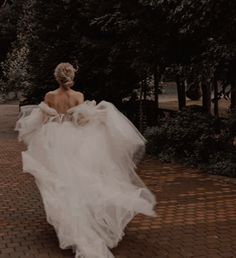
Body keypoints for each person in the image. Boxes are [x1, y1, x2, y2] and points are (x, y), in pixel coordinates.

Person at [15, 63, 156, 258]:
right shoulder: (79, 96)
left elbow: (44, 121)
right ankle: (84, 220)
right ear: (72, 76)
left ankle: (71, 224)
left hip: (55, 140)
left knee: (60, 183)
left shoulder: (50, 96)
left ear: (57, 77)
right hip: (76, 140)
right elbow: (81, 121)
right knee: (82, 180)